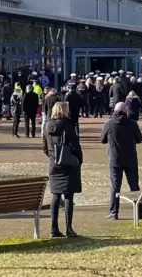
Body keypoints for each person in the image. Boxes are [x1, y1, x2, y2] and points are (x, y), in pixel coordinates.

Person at [42, 102, 83, 238]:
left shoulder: (47, 125)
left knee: (55, 195)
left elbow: (44, 146)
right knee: (68, 195)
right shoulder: (68, 124)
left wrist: (53, 156)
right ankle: (69, 228)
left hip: (54, 163)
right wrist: (78, 159)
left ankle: (54, 228)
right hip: (68, 162)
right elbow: (75, 144)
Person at [101, 102, 142, 220]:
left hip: (115, 159)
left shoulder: (109, 124)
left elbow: (102, 139)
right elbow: (139, 139)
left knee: (115, 186)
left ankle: (114, 212)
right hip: (130, 158)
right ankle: (139, 211)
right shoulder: (132, 124)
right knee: (134, 185)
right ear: (126, 111)